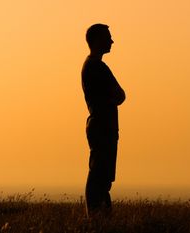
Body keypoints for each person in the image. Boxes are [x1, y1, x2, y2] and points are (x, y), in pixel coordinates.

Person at [81, 24, 125, 217]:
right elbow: (119, 94)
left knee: (103, 174)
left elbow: (119, 95)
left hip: (104, 125)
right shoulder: (95, 67)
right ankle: (96, 215)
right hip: (101, 126)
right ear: (98, 40)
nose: (112, 41)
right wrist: (112, 99)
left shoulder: (95, 66)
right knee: (99, 172)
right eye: (108, 37)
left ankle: (102, 214)